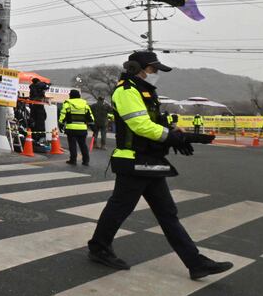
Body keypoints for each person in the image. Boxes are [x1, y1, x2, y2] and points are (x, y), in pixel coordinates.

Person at [87, 51, 233, 280]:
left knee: (167, 213)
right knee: (121, 208)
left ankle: (195, 263)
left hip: (149, 160)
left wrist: (175, 132)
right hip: (133, 159)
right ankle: (98, 248)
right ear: (136, 68)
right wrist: (173, 138)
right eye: (153, 69)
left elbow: (154, 122)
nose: (156, 74)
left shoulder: (145, 91)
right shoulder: (126, 91)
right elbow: (141, 126)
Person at [59, 89, 93, 166]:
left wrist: (60, 124)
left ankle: (73, 160)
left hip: (71, 128)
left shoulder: (67, 104)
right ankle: (86, 161)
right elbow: (90, 117)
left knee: (72, 145)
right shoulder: (85, 105)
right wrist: (92, 126)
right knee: (83, 144)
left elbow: (63, 115)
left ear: (71, 95)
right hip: (82, 128)